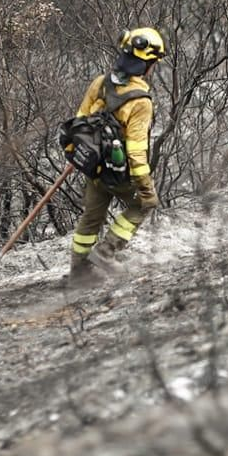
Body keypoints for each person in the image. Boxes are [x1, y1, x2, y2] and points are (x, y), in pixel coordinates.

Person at [68, 27, 165, 285]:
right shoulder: (141, 102)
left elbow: (80, 122)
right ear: (148, 65)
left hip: (95, 168)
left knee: (91, 216)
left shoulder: (100, 83)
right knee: (145, 204)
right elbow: (135, 150)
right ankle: (106, 252)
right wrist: (146, 188)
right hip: (119, 173)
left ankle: (78, 271)